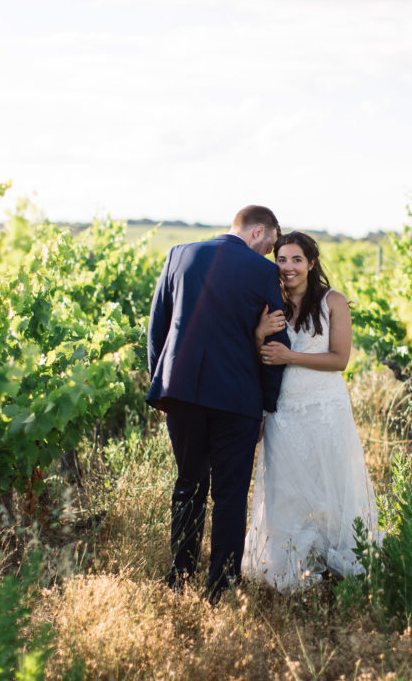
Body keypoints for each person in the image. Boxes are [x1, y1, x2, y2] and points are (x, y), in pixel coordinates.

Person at [146, 205, 291, 602]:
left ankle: (179, 579)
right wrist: (267, 404)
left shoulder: (179, 254)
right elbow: (277, 343)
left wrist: (161, 388)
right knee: (229, 494)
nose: (269, 253)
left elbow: (157, 326)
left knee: (188, 485)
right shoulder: (263, 272)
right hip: (237, 398)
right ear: (258, 231)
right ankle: (221, 587)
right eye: (271, 244)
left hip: (181, 392)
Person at [242, 231, 380, 591]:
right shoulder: (270, 300)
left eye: (296, 260)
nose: (288, 267)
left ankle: (343, 555)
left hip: (324, 407)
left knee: (334, 483)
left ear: (311, 263)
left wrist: (290, 356)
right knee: (284, 489)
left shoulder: (333, 301)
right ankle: (287, 561)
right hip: (283, 410)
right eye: (282, 259)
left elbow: (340, 359)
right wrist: (258, 335)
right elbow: (256, 356)